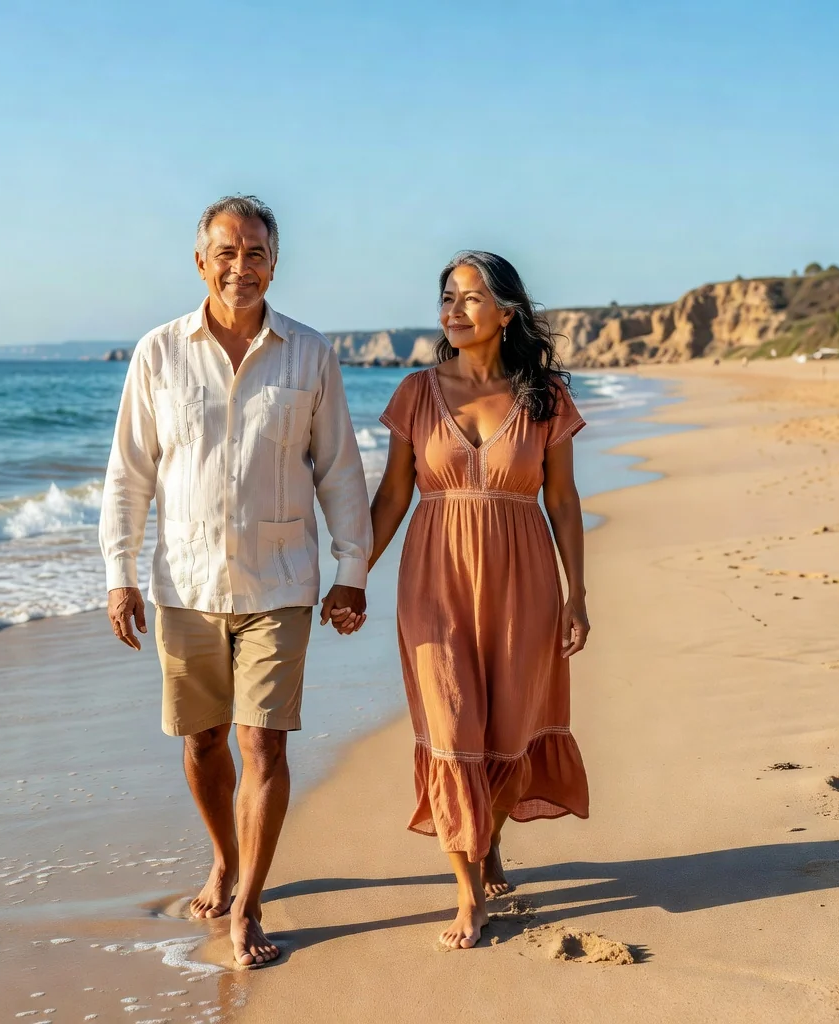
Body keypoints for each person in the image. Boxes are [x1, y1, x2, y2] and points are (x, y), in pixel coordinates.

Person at [99, 195, 372, 966]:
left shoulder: (309, 354)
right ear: (200, 262)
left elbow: (339, 469)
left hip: (279, 581)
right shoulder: (159, 353)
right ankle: (224, 855)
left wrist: (351, 570)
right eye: (226, 252)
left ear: (274, 265)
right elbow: (130, 473)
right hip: (184, 584)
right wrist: (119, 573)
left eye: (255, 253)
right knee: (203, 740)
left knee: (263, 741)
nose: (240, 267)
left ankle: (248, 901)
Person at [344, 250, 590, 950]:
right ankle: (466, 892)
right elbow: (393, 495)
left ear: (506, 313)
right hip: (434, 581)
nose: (453, 310)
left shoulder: (544, 396)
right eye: (447, 297)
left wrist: (577, 594)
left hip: (524, 582)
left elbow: (563, 500)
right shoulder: (417, 392)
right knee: (453, 728)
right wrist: (352, 574)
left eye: (470, 298)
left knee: (509, 734)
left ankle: (491, 837)